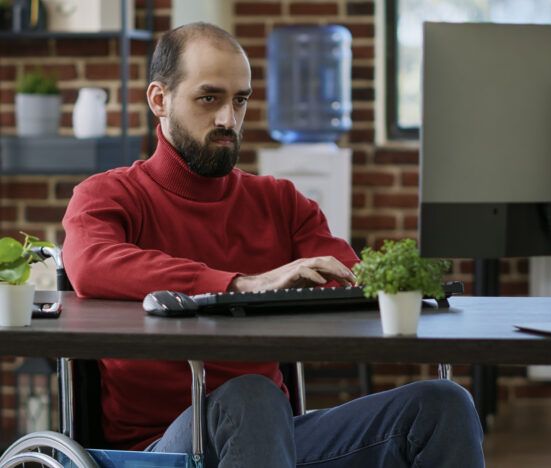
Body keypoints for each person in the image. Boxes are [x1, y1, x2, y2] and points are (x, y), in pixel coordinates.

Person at [62, 22, 485, 467]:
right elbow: (91, 264)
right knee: (249, 395)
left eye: (239, 100)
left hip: (274, 438)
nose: (228, 119)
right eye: (209, 98)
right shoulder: (108, 194)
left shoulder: (280, 201)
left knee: (442, 404)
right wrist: (240, 284)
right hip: (163, 448)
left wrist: (392, 286)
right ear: (159, 100)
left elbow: (349, 280)